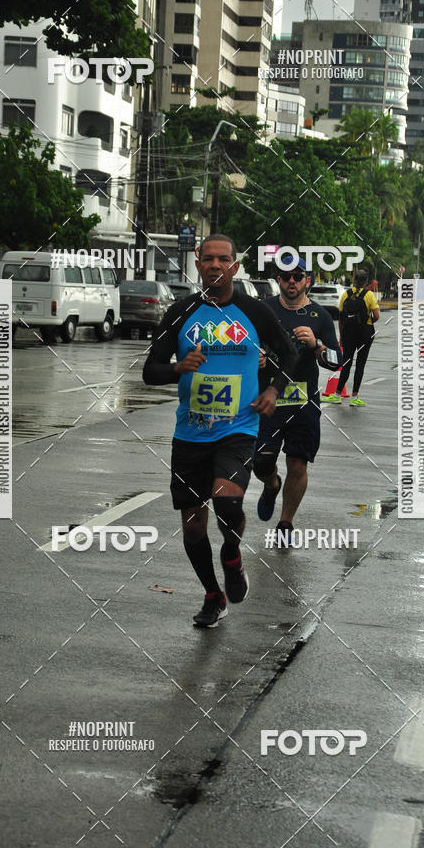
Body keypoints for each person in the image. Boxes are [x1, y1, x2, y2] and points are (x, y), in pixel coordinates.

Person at [142, 234, 297, 628]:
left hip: (238, 429)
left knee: (227, 503)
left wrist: (273, 391)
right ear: (198, 264)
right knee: (194, 524)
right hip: (190, 434)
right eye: (208, 258)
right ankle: (213, 595)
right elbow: (150, 371)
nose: (215, 265)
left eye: (223, 259)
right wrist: (177, 368)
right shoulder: (180, 312)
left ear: (235, 266)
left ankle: (232, 552)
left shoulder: (254, 311)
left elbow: (290, 354)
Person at [253, 256, 342, 546]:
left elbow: (336, 362)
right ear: (278, 279)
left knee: (298, 464)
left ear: (307, 280)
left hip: (303, 401)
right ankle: (271, 484)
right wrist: (256, 356)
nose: (291, 281)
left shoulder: (320, 316)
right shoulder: (263, 310)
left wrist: (317, 345)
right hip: (268, 398)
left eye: (297, 276)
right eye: (285, 276)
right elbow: (244, 344)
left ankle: (285, 523)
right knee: (261, 462)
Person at [323, 269, 379, 406]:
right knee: (360, 364)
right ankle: (354, 397)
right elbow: (377, 316)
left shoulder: (345, 294)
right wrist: (368, 321)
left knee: (346, 363)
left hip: (349, 333)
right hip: (365, 333)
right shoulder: (369, 295)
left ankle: (337, 394)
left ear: (354, 280)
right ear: (366, 281)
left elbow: (341, 316)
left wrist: (342, 335)